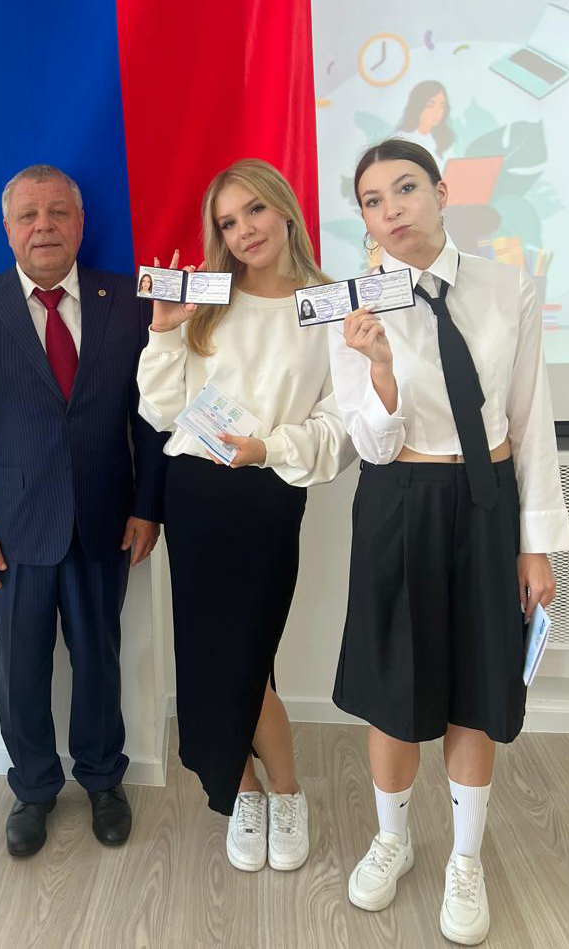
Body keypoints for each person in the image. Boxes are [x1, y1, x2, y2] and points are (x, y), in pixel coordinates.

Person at [329, 139, 569, 946]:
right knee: (393, 678)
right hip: (399, 496)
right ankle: (392, 838)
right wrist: (381, 372)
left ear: (440, 192)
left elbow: (530, 418)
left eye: (404, 189)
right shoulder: (353, 304)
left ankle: (465, 857)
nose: (390, 209)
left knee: (478, 676)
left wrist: (536, 544)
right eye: (371, 200)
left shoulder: (508, 287)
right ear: (364, 219)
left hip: (488, 498)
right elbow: (368, 441)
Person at [0, 163, 168, 858]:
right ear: (8, 229)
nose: (44, 226)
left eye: (58, 212)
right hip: (11, 529)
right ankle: (34, 787)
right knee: (21, 668)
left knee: (99, 658)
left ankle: (102, 779)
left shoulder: (126, 300)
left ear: (81, 223)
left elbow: (149, 415)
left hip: (105, 519)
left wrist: (149, 506)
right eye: (29, 215)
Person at [137, 158, 354, 875]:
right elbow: (160, 412)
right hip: (196, 493)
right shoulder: (208, 299)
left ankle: (286, 791)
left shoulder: (327, 306)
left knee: (247, 653)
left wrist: (269, 448)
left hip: (269, 491)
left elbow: (341, 428)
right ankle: (245, 790)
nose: (244, 231)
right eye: (228, 222)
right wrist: (165, 332)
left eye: (254, 211)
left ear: (284, 208)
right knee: (210, 653)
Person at [395, 80, 455, 159]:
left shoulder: (443, 139)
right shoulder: (401, 138)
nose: (437, 111)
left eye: (442, 106)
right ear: (418, 106)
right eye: (430, 105)